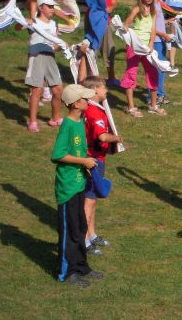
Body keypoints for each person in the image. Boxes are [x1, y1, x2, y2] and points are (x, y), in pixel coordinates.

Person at [51, 84, 104, 288]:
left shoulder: (80, 121)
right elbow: (58, 155)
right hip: (68, 187)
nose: (88, 101)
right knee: (70, 229)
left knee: (81, 226)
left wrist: (86, 164)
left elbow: (79, 150)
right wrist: (83, 162)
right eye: (84, 99)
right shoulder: (67, 126)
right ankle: (66, 272)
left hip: (79, 182)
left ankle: (81, 266)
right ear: (75, 104)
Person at [82, 75, 123, 255]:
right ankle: (84, 240)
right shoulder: (94, 112)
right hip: (94, 160)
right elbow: (102, 136)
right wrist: (117, 138)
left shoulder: (92, 108)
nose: (106, 90)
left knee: (93, 197)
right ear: (95, 90)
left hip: (97, 158)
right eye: (104, 87)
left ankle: (92, 234)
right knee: (89, 200)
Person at [26, 0, 74, 105]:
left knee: (48, 61)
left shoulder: (48, 2)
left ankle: (46, 92)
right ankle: (33, 95)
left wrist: (68, 19)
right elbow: (32, 18)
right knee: (35, 69)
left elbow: (56, 11)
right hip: (37, 35)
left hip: (47, 34)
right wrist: (34, 26)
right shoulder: (34, 2)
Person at [120, 0, 166, 117]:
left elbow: (153, 29)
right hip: (134, 46)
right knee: (131, 74)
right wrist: (126, 35)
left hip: (147, 47)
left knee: (153, 73)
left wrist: (151, 44)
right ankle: (131, 107)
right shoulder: (137, 8)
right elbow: (127, 22)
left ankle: (153, 105)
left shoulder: (154, 10)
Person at [24, 0, 66, 133]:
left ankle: (55, 118)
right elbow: (18, 27)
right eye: (49, 6)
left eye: (53, 7)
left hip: (50, 57)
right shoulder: (34, 22)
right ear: (41, 8)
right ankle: (33, 122)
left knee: (58, 89)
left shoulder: (54, 24)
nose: (52, 9)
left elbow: (56, 43)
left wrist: (59, 46)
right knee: (37, 90)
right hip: (36, 56)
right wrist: (25, 21)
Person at [82, 0, 118, 85]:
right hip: (92, 20)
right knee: (91, 47)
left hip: (105, 20)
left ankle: (111, 77)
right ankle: (90, 77)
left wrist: (110, 8)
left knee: (109, 48)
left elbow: (114, 2)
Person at [147, 0, 175, 105]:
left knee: (161, 68)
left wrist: (168, 21)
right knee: (157, 69)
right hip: (156, 40)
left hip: (161, 39)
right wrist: (163, 34)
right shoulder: (152, 5)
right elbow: (151, 27)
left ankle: (160, 94)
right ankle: (154, 96)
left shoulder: (158, 2)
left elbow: (158, 22)